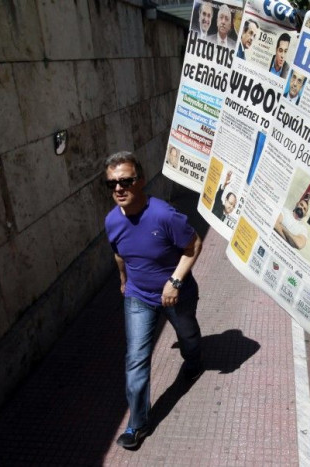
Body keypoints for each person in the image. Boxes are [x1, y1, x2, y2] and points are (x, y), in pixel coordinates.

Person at [104, 152, 204, 449]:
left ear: (141, 181)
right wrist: (124, 281)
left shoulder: (163, 214)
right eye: (111, 184)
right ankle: (138, 424)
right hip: (138, 296)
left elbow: (194, 244)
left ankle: (195, 361)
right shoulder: (112, 220)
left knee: (188, 336)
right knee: (135, 359)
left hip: (177, 294)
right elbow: (119, 253)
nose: (119, 188)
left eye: (126, 181)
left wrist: (174, 282)